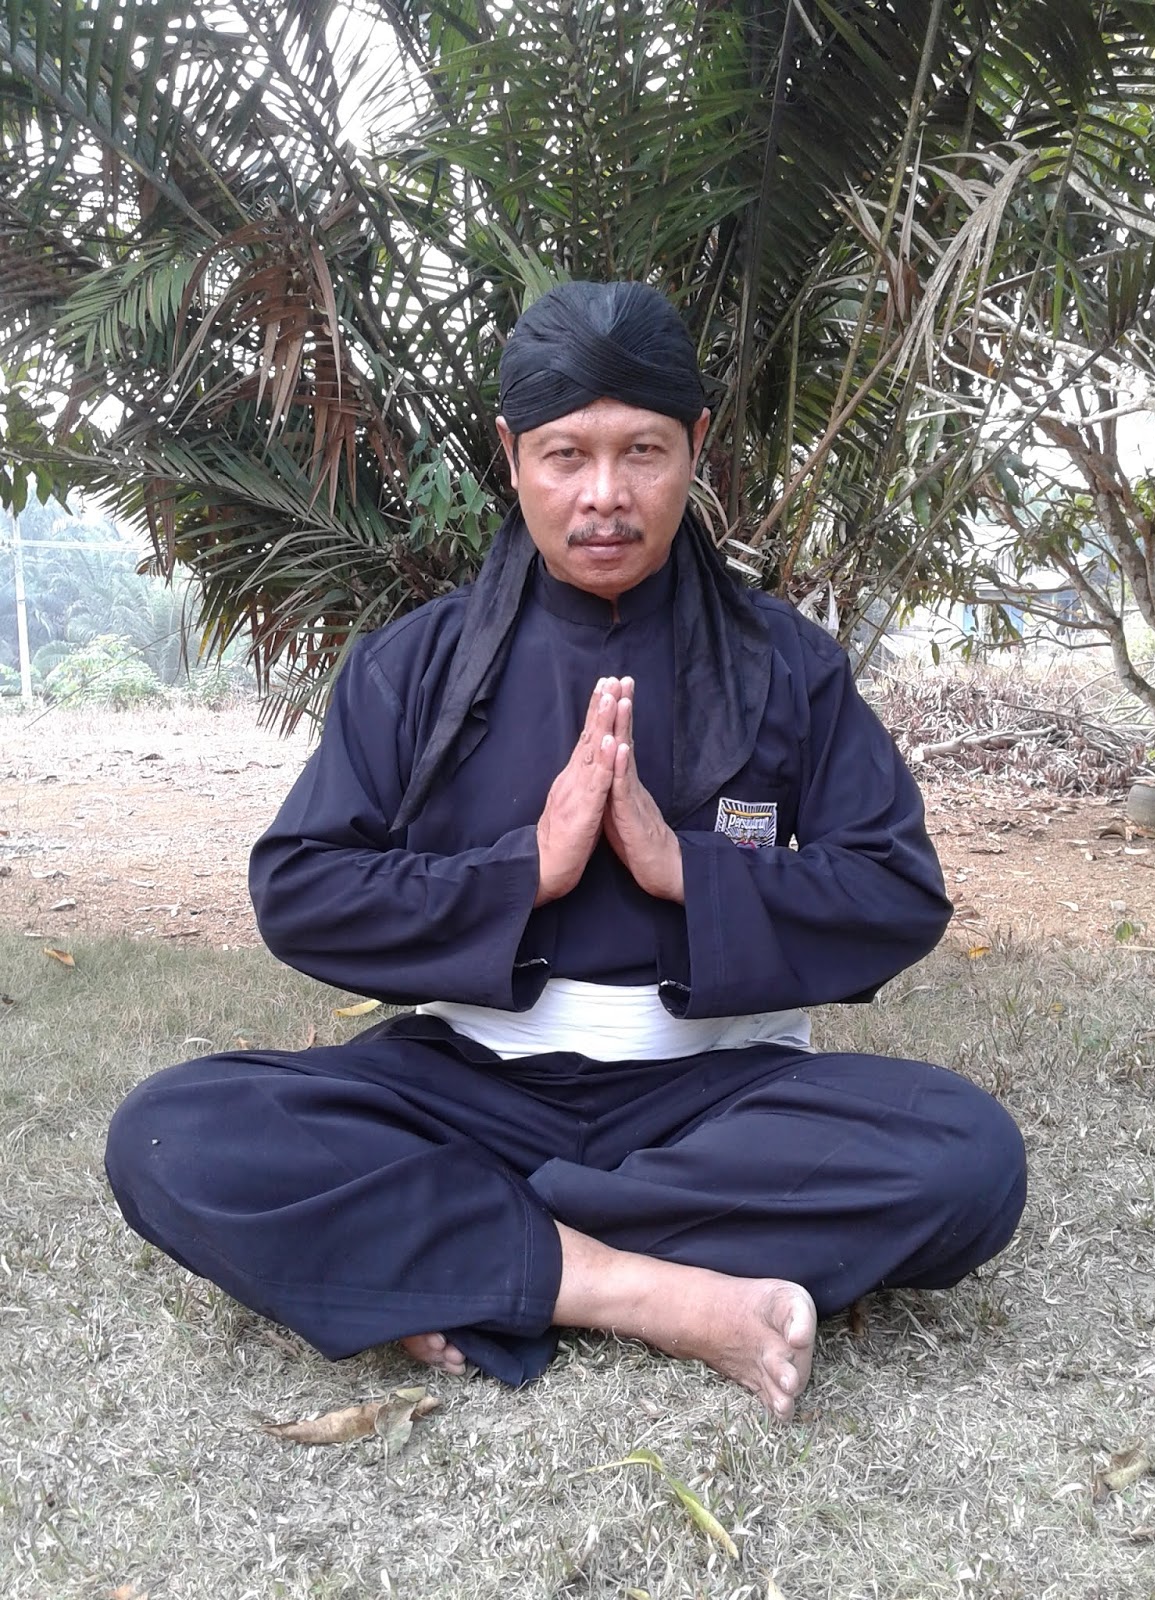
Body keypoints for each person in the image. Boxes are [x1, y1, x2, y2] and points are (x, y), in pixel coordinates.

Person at [106, 281, 1025, 1421]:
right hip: (466, 1087)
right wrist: (525, 872)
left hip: (719, 1096)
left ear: (696, 445)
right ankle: (638, 1289)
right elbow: (300, 890)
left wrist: (686, 871)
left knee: (967, 1156)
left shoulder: (790, 666)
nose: (604, 495)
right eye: (565, 455)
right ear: (510, 455)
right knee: (171, 1134)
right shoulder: (412, 667)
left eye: (642, 451)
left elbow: (897, 890)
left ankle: (458, 1245)